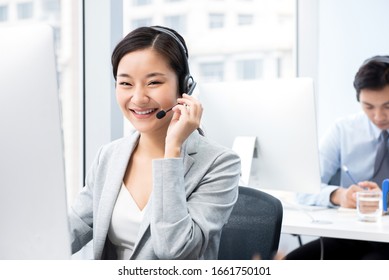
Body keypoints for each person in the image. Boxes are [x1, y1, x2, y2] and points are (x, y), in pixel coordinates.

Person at [68, 26, 241, 260]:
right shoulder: (109, 156)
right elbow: (73, 227)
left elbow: (174, 250)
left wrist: (172, 152)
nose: (138, 98)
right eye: (126, 84)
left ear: (184, 87)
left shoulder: (219, 164)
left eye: (153, 83)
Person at [285, 55, 389, 259]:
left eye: (388, 106)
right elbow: (303, 187)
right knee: (291, 263)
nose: (378, 117)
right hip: (352, 236)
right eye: (368, 107)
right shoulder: (343, 130)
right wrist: (339, 196)